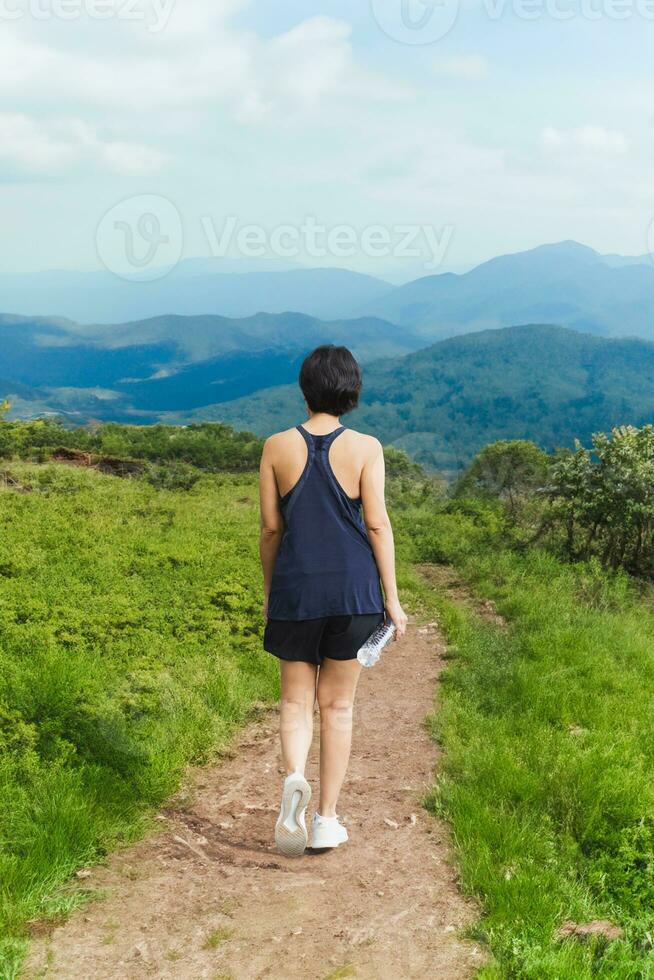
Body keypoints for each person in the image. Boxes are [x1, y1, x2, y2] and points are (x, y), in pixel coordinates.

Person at [259, 344, 407, 856]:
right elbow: (377, 524)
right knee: (337, 707)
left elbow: (270, 530)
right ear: (351, 390)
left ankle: (294, 776)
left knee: (295, 701)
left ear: (305, 390)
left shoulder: (276, 446)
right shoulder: (367, 447)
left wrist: (270, 593)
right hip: (354, 592)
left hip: (296, 590)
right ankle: (325, 820)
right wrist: (392, 598)